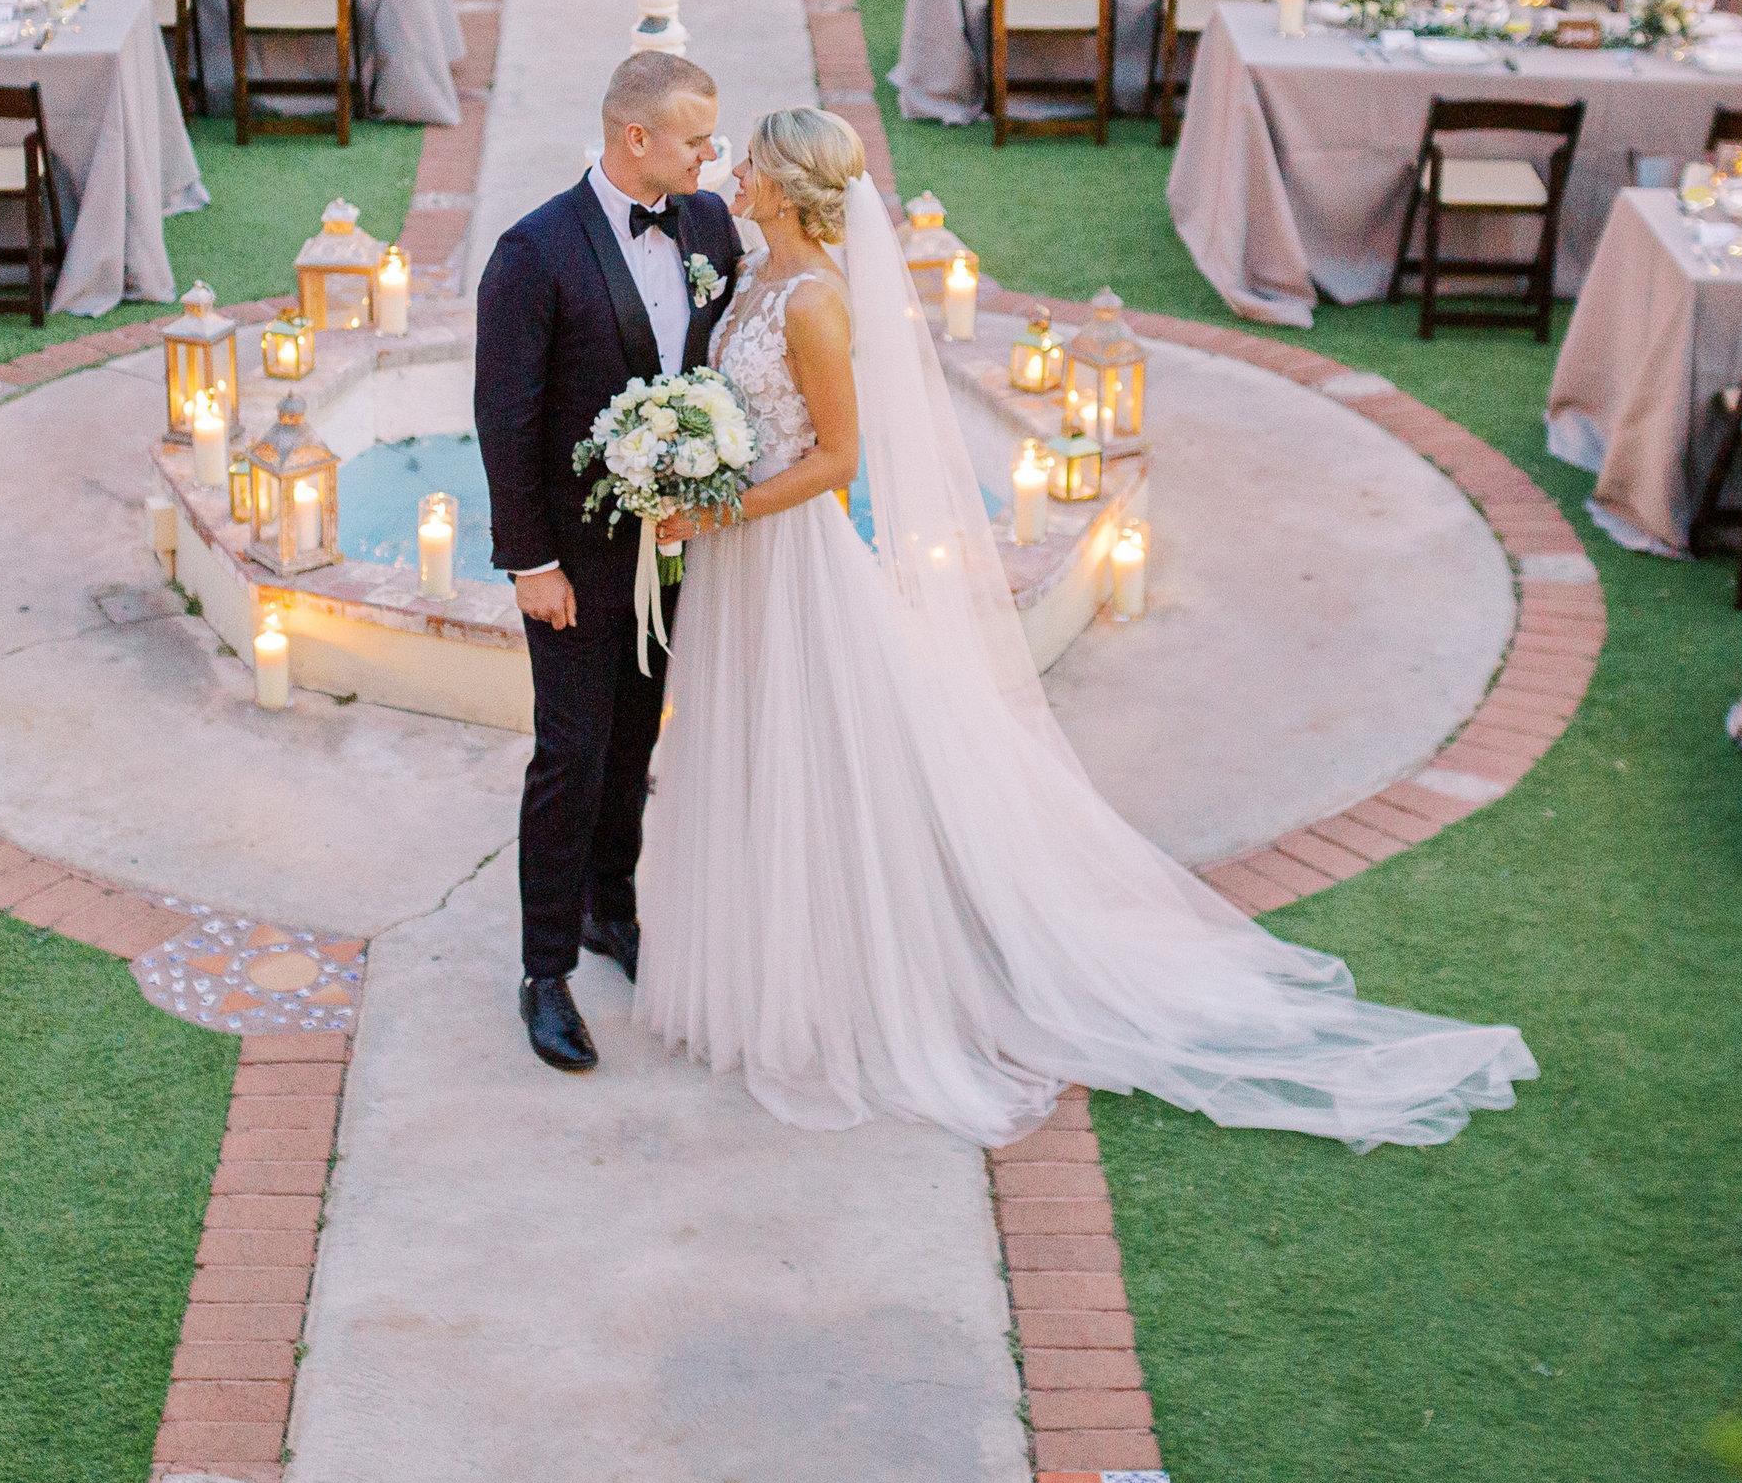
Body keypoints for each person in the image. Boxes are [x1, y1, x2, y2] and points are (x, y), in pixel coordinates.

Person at [636, 106, 1537, 1152]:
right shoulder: (752, 273)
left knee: (814, 756)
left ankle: (833, 982)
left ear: (789, 187)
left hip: (789, 559)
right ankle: (758, 965)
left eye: (750, 159)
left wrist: (719, 510)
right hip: (738, 559)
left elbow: (839, 459)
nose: (734, 170)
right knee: (746, 747)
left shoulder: (817, 303)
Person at [470, 49, 747, 1075]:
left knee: (634, 742)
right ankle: (544, 973)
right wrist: (530, 562)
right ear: (638, 138)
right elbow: (505, 419)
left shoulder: (708, 225)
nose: (710, 156)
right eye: (695, 140)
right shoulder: (532, 252)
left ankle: (610, 910)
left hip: (672, 550)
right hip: (574, 564)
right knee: (571, 755)